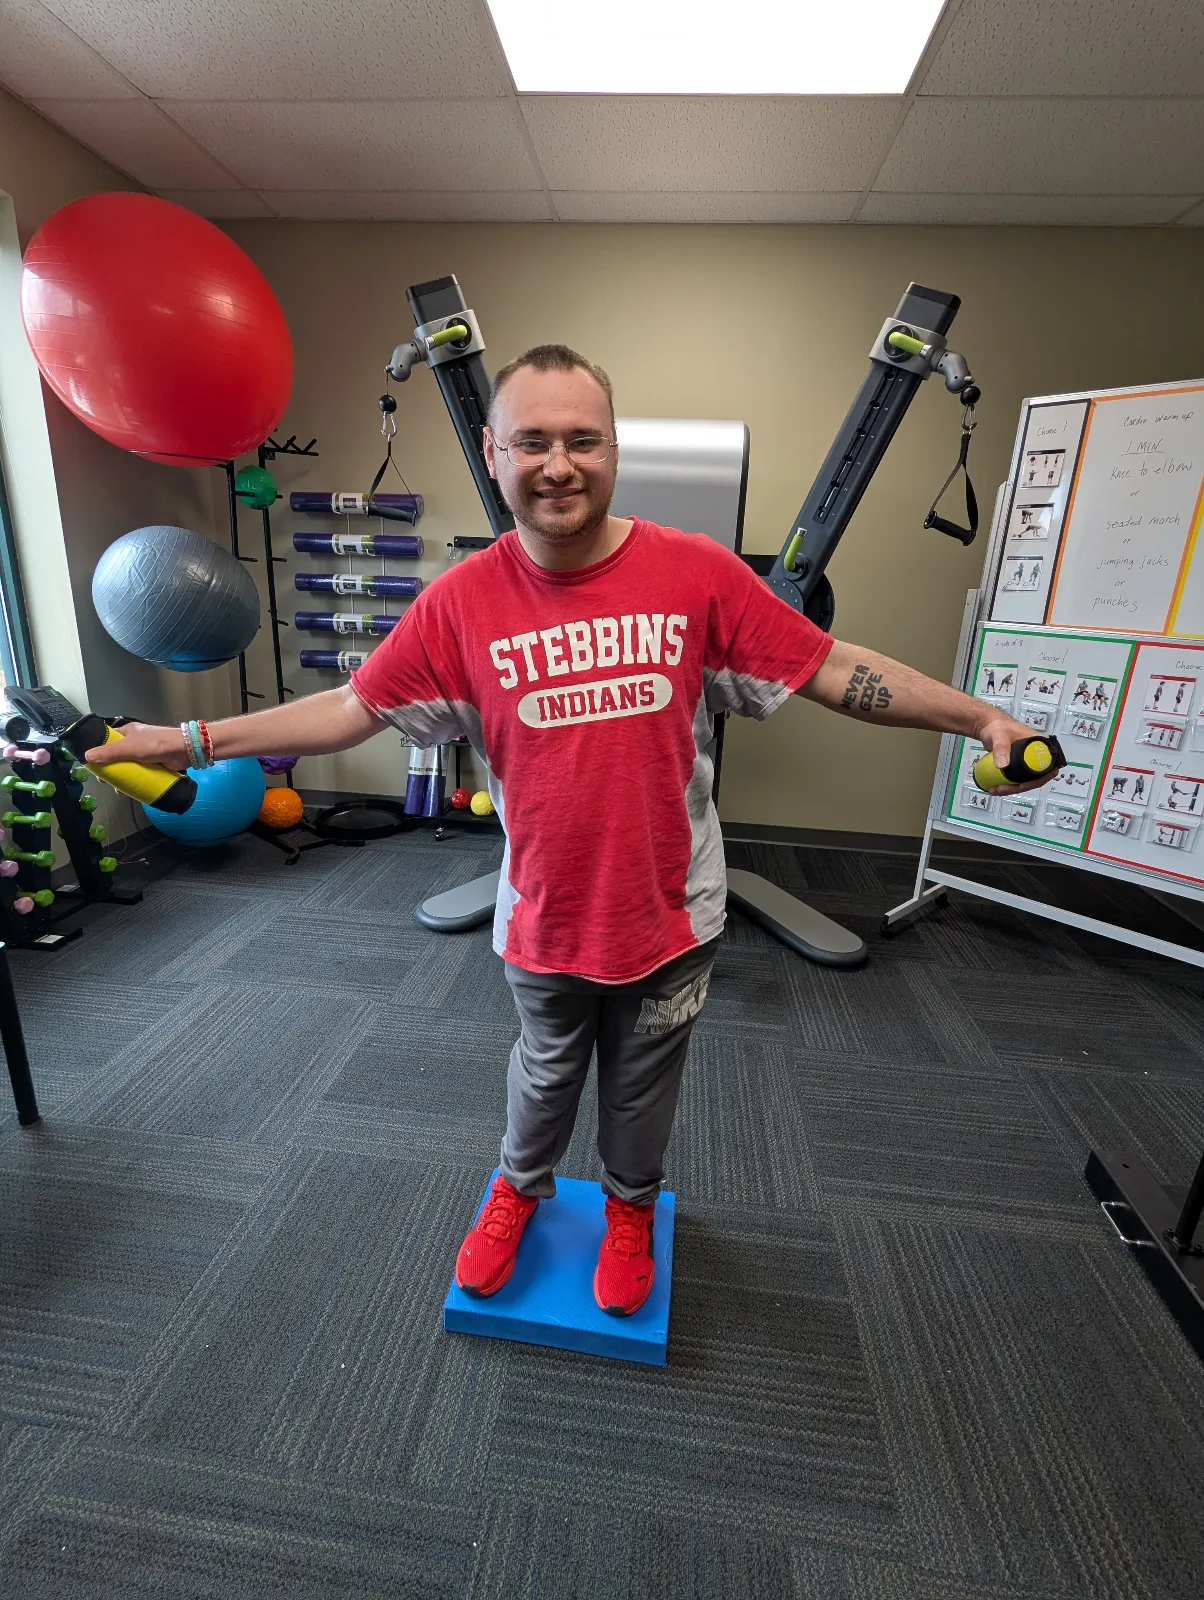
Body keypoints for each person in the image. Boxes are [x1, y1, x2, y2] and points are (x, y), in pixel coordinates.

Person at [90, 344, 1053, 1318]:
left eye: (583, 439)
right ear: (493, 449)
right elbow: (351, 708)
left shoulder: (694, 575)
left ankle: (629, 1209)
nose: (559, 462)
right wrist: (189, 736)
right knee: (545, 1073)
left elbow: (831, 666)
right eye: (534, 440)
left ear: (613, 448)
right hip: (542, 913)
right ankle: (519, 1187)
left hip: (671, 913)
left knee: (640, 1085)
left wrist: (978, 718)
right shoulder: (459, 605)